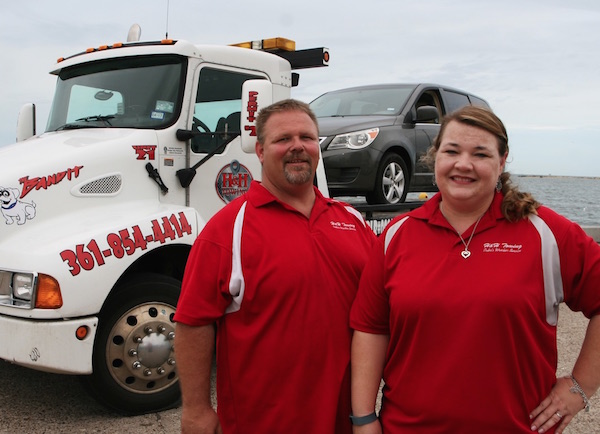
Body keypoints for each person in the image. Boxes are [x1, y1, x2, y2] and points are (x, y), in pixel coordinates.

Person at [349, 105, 600, 434]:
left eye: (480, 153)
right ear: (436, 156)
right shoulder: (397, 235)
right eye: (452, 151)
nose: (463, 164)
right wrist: (364, 418)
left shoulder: (545, 233)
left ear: (502, 161)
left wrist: (580, 388)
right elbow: (371, 329)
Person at [174, 99, 377, 434]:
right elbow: (192, 322)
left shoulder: (352, 222)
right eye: (283, 139)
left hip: (346, 417)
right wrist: (196, 409)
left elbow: (382, 312)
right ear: (260, 150)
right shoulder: (228, 228)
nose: (297, 147)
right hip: (264, 420)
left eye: (307, 138)